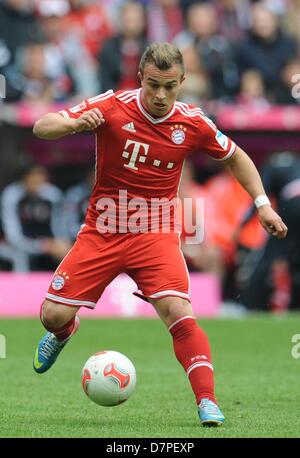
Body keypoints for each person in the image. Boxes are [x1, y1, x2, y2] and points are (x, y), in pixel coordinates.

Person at [32, 42, 287, 427]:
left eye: (170, 86)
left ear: (182, 81)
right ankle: (65, 330)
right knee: (51, 315)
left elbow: (236, 156)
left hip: (155, 232)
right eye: (153, 84)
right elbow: (41, 126)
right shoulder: (113, 105)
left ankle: (207, 401)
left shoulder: (192, 122)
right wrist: (70, 124)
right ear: (141, 78)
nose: (160, 95)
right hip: (103, 229)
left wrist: (263, 202)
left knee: (179, 311)